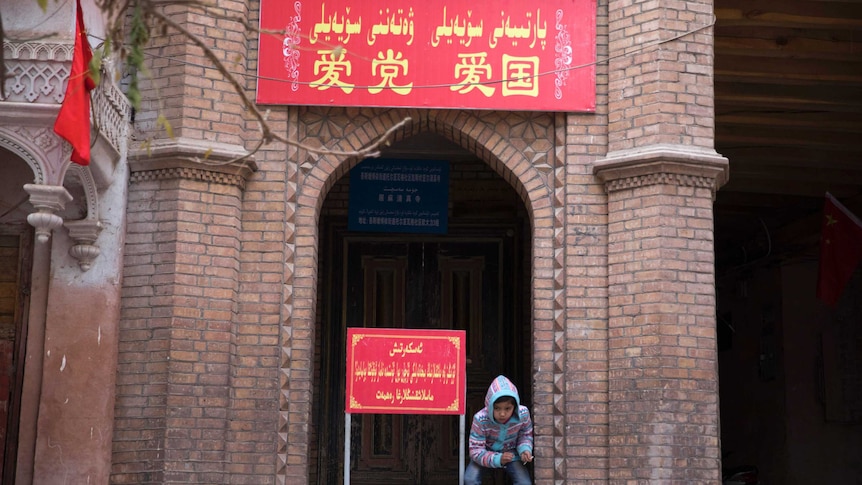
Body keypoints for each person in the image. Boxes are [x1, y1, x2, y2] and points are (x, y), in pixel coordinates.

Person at [465, 375, 534, 485]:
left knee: (524, 482)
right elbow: (475, 451)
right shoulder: (480, 419)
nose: (502, 413)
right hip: (484, 452)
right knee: (470, 479)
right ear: (489, 406)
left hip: (512, 452)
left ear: (515, 406)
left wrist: (525, 450)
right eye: (497, 408)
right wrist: (498, 459)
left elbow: (525, 435)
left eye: (507, 408)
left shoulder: (523, 414)